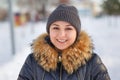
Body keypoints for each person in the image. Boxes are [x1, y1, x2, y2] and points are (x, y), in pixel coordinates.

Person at [17, 4, 111, 80]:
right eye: (56, 28)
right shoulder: (32, 61)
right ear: (49, 31)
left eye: (68, 28)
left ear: (77, 33)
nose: (62, 34)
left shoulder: (92, 62)